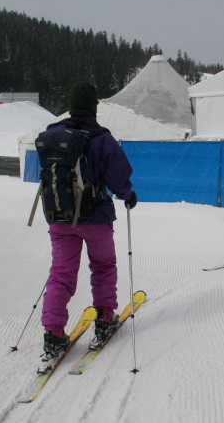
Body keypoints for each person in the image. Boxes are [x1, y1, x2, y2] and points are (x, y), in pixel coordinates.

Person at [41, 82, 137, 357]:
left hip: (59, 218)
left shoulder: (52, 135)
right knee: (103, 266)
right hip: (95, 219)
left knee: (60, 274)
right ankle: (105, 319)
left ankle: (53, 333)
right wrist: (128, 195)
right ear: (95, 107)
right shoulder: (101, 139)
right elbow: (119, 177)